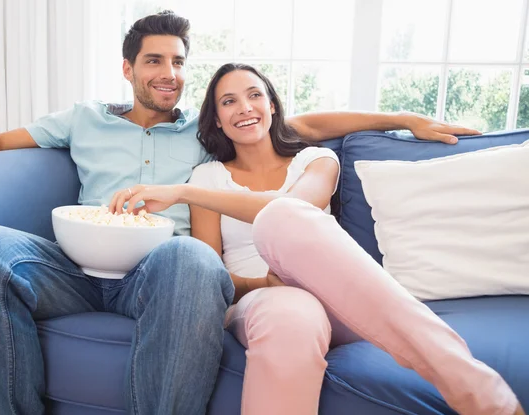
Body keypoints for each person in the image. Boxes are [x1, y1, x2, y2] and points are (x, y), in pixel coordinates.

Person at [0, 10, 485, 415]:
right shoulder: (84, 118)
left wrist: (401, 117)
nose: (169, 72)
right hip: (74, 265)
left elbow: (301, 126)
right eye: (155, 60)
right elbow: (3, 136)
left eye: (178, 62)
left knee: (196, 262)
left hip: (158, 272)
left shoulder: (205, 136)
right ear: (128, 69)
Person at [109, 63, 526, 415]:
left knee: (286, 215)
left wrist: (182, 193)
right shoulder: (208, 176)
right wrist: (262, 285)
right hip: (263, 298)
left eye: (254, 94)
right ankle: (482, 395)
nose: (245, 107)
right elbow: (211, 273)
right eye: (228, 101)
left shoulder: (315, 158)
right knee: (290, 313)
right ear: (217, 119)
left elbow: (293, 209)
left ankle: (464, 378)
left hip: (339, 294)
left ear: (272, 105)